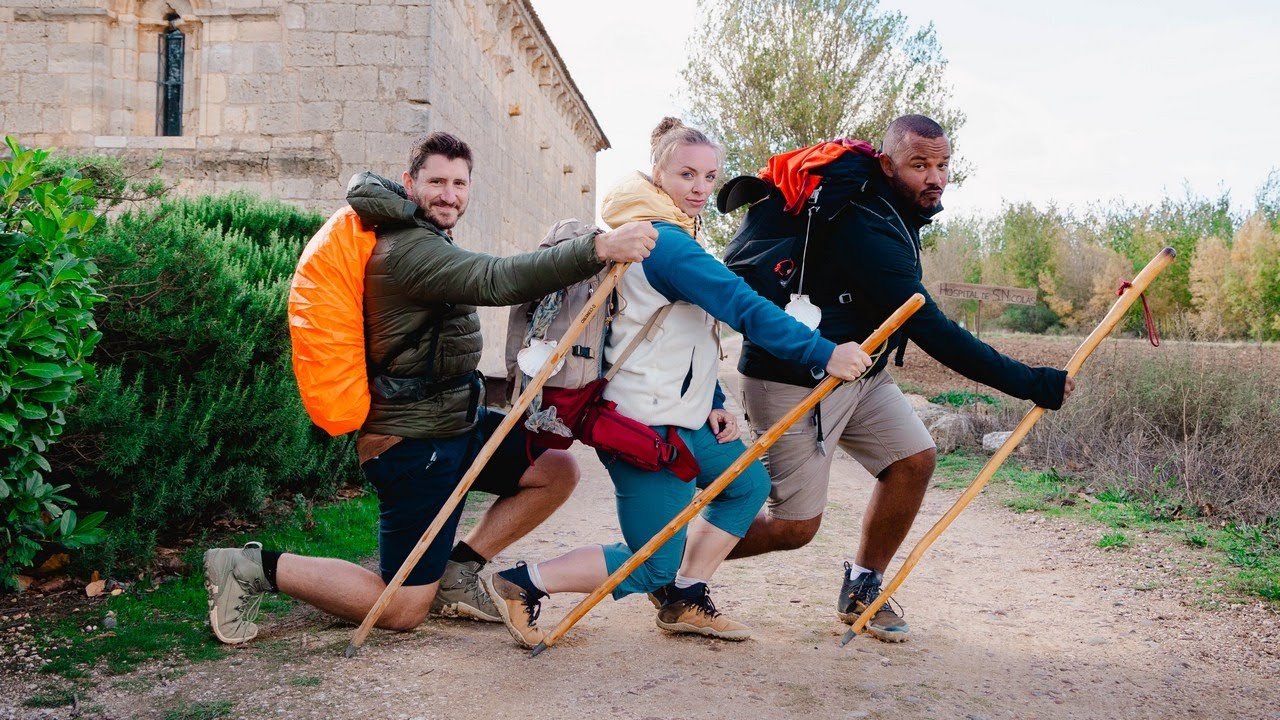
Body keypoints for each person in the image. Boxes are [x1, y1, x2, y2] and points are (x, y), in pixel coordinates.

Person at [202, 132, 658, 644]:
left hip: (455, 426)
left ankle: (455, 573)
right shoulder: (406, 250)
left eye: (459, 183)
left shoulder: (424, 235)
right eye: (436, 181)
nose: (449, 194)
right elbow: (495, 279)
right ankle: (249, 566)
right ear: (409, 183)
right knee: (398, 609)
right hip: (412, 443)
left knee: (555, 470)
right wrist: (597, 248)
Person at [481, 118, 874, 649]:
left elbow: (678, 333)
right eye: (686, 174)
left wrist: (712, 398)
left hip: (683, 414)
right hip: (642, 424)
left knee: (747, 485)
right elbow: (742, 308)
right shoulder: (664, 242)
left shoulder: (666, 232)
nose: (699, 188)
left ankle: (686, 597)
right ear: (658, 173)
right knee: (649, 565)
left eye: (710, 176)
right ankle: (523, 583)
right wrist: (825, 353)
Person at [727, 114, 1075, 642]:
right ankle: (664, 563)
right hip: (796, 379)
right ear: (887, 165)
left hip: (862, 372)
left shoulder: (893, 208)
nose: (934, 177)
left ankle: (863, 585)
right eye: (919, 165)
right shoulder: (866, 224)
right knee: (794, 527)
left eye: (942, 165)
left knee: (913, 460)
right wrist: (1031, 382)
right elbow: (931, 328)